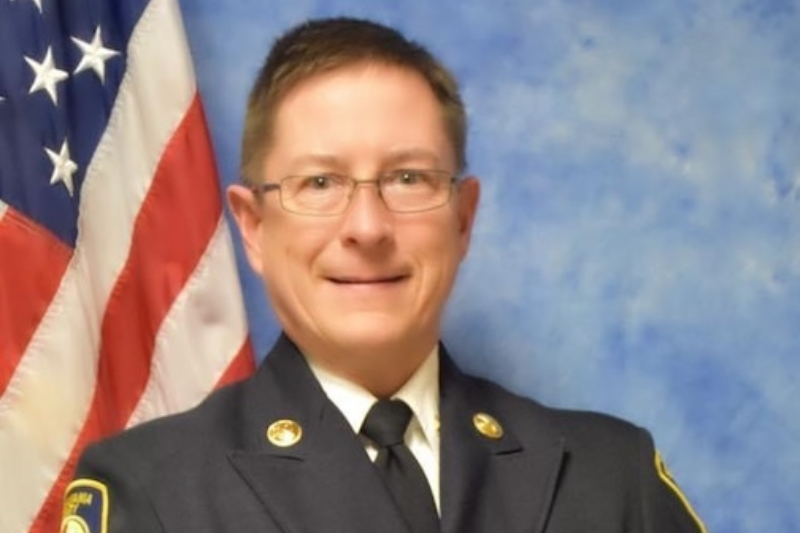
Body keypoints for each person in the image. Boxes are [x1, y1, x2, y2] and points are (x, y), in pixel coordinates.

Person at [62, 17, 708, 533]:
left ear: (463, 218)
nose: (366, 227)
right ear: (253, 227)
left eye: (408, 177)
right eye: (319, 182)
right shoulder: (149, 494)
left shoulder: (613, 478)